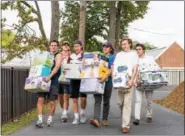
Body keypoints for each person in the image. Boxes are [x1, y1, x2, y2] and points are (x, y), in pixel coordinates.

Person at [113, 38, 139, 133]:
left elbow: (136, 68)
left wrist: (132, 80)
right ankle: (125, 116)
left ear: (130, 44)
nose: (123, 45)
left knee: (127, 104)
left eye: (125, 44)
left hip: (129, 82)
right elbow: (115, 67)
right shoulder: (119, 55)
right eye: (122, 44)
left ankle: (125, 125)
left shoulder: (134, 54)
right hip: (120, 82)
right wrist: (114, 81)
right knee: (120, 103)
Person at [36, 40, 62, 128]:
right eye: (52, 45)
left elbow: (57, 67)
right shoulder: (45, 55)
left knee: (51, 101)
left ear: (57, 47)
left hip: (53, 80)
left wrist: (50, 77)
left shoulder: (58, 56)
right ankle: (39, 119)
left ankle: (49, 119)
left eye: (55, 45)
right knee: (40, 99)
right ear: (49, 46)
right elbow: (38, 65)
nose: (53, 47)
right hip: (43, 80)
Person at [90, 42, 115, 127]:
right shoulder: (98, 56)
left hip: (108, 82)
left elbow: (112, 69)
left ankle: (105, 119)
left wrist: (105, 76)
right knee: (97, 100)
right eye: (103, 46)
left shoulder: (112, 57)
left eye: (107, 47)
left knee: (106, 101)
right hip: (97, 81)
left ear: (110, 48)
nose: (104, 48)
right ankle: (96, 119)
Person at [133, 43, 154, 125]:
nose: (138, 51)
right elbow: (133, 71)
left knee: (149, 101)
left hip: (148, 83)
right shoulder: (134, 59)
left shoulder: (150, 58)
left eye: (139, 49)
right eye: (137, 49)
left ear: (143, 50)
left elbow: (155, 68)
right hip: (138, 84)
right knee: (138, 101)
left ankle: (149, 115)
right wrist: (136, 80)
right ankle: (137, 118)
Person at [69, 40, 87, 124]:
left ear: (81, 47)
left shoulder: (85, 56)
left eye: (77, 46)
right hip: (73, 80)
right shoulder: (71, 56)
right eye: (75, 46)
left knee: (83, 99)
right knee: (74, 99)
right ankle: (76, 117)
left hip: (83, 80)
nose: (76, 48)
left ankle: (82, 113)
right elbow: (67, 67)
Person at [58, 41, 71, 122]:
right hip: (59, 78)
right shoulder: (59, 55)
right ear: (62, 47)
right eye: (64, 45)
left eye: (67, 45)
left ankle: (64, 113)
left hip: (67, 78)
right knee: (60, 98)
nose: (65, 46)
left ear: (69, 47)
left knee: (66, 97)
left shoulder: (72, 56)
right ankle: (64, 109)